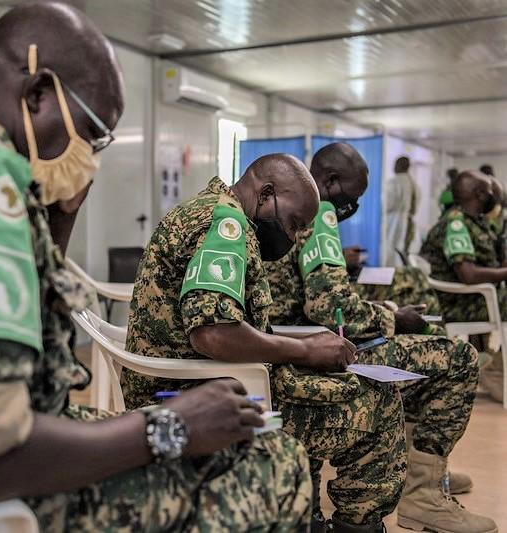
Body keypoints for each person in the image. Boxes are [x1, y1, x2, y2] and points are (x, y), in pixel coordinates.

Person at [0, 4, 313, 530]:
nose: (89, 155)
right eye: (91, 135)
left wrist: (58, 214)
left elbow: (29, 346)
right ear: (38, 93)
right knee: (272, 466)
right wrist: (169, 427)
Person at [124, 154, 407, 533]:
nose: (292, 239)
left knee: (323, 380)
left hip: (194, 384)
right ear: (266, 193)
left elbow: (223, 325)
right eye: (293, 224)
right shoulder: (226, 224)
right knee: (379, 403)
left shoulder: (209, 208)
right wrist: (304, 350)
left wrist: (302, 350)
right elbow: (213, 332)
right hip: (191, 398)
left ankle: (305, 517)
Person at [265, 143, 495, 533]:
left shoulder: (286, 208)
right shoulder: (319, 210)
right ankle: (422, 493)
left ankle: (413, 468)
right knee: (457, 357)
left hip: (293, 341)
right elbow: (329, 306)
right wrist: (392, 319)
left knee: (425, 339)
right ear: (331, 182)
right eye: (352, 197)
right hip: (309, 350)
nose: (353, 206)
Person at [422, 170, 507, 405]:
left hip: (474, 297)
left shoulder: (474, 221)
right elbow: (468, 274)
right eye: (490, 192)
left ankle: (494, 363)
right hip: (457, 302)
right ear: (480, 194)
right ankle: (495, 367)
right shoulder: (456, 222)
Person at [385, 156, 418, 266]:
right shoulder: (413, 183)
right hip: (408, 220)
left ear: (399, 166)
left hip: (394, 221)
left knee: (391, 248)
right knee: (404, 248)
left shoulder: (394, 181)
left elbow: (387, 203)